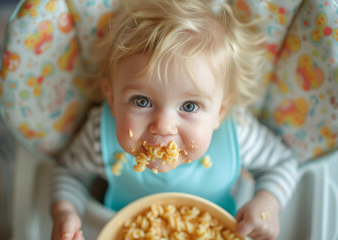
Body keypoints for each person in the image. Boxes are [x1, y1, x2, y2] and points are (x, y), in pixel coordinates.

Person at [50, 0, 298, 239]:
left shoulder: (238, 136)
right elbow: (70, 173)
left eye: (189, 106)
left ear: (220, 112)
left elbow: (283, 163)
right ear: (112, 99)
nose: (163, 126)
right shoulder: (99, 135)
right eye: (141, 101)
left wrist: (268, 204)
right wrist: (66, 212)